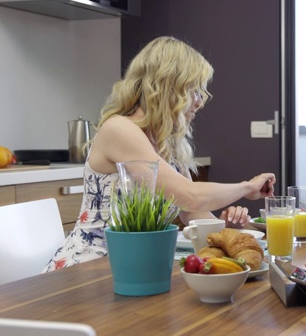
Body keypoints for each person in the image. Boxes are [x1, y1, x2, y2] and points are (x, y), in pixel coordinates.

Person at [44, 36, 276, 272]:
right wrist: (247, 187)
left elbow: (192, 212)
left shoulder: (169, 145)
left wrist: (232, 227)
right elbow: (191, 196)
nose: (199, 102)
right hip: (90, 268)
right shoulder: (119, 129)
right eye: (193, 90)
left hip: (138, 264)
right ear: (168, 88)